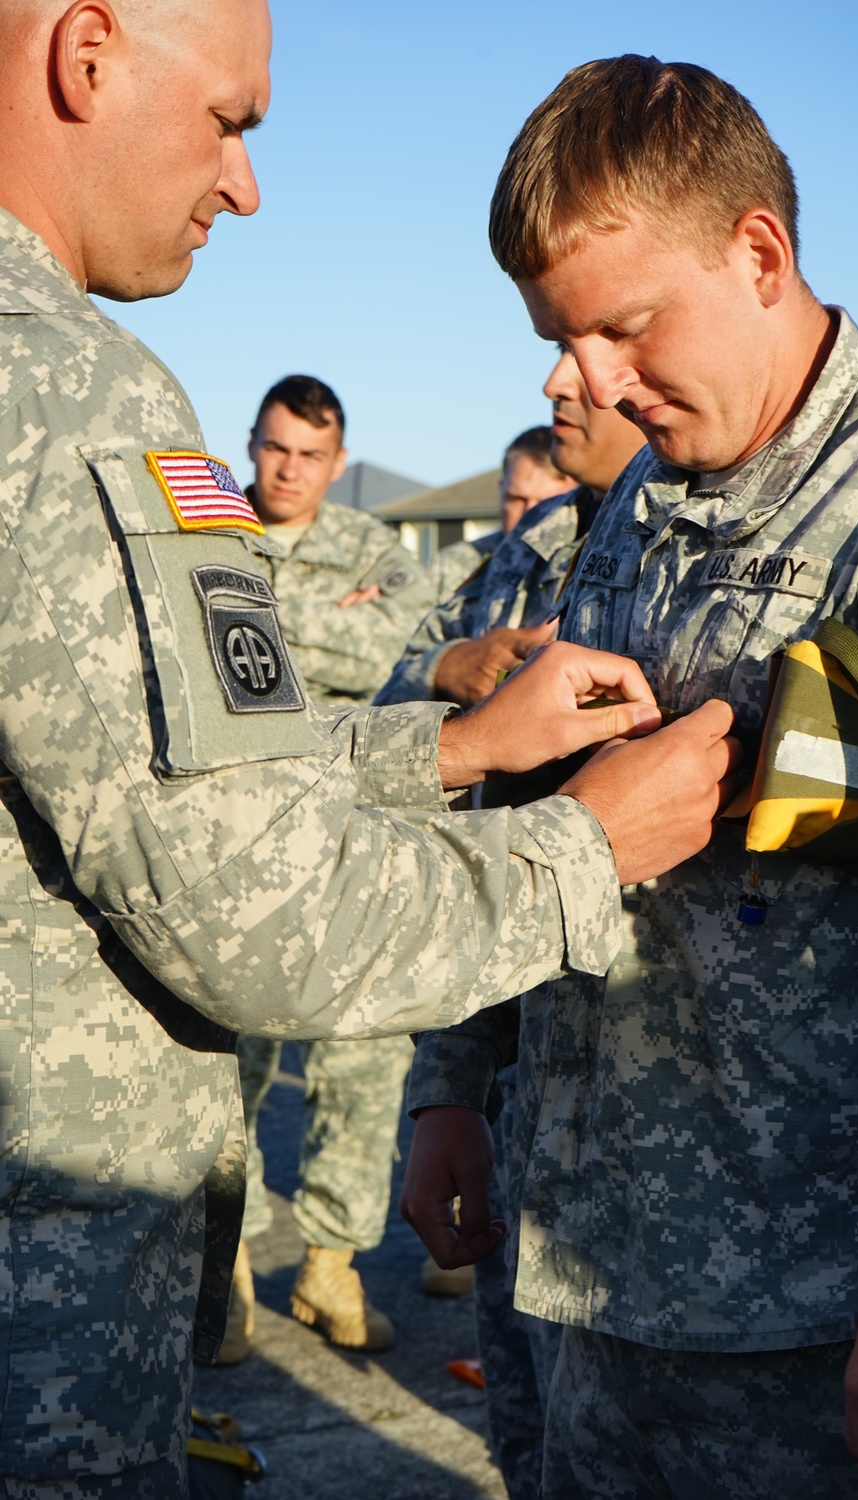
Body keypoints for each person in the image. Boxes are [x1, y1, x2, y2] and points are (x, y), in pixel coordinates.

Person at [0, 9, 743, 1493]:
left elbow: (145, 764)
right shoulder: (88, 401)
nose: (244, 184)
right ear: (87, 56)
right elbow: (253, 910)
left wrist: (449, 749)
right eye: (233, 121)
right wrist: (583, 848)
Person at [399, 55, 858, 1500]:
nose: (587, 382)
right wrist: (452, 1086)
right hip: (597, 1286)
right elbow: (538, 810)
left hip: (845, 1326)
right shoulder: (640, 506)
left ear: (760, 253)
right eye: (564, 338)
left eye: (625, 326)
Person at [389, 348, 646, 1499]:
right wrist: (447, 1087)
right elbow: (456, 813)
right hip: (523, 1099)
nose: (557, 383)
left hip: (700, 1174)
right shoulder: (530, 556)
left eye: (602, 346)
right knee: (531, 1446)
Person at [229, 373, 447, 1362]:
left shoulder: (372, 548)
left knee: (364, 1060)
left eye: (309, 456)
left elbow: (400, 638)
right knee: (225, 1064)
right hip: (232, 838)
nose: (287, 470)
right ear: (253, 443)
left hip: (355, 838)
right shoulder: (207, 529)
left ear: (338, 462)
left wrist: (261, 606)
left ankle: (329, 1266)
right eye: (274, 448)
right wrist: (323, 618)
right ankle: (220, 1270)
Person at [377, 351, 647, 712]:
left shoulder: (693, 532)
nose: (554, 385)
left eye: (588, 356)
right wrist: (445, 668)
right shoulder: (536, 529)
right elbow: (388, 697)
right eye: (562, 351)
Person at [427, 422, 576, 609]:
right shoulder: (450, 567)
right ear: (501, 490)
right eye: (516, 499)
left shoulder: (581, 567)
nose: (528, 512)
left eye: (544, 503)